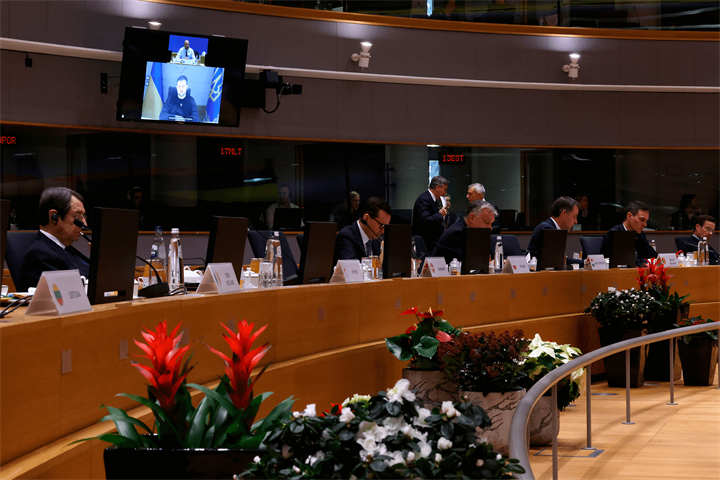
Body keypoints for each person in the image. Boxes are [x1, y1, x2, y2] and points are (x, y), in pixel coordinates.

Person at [20, 187, 90, 291]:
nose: (84, 224)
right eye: (77, 216)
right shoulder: (39, 255)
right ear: (54, 217)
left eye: (83, 216)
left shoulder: (67, 248)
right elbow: (67, 296)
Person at [431, 200, 497, 264]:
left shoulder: (478, 232)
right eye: (487, 222)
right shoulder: (455, 234)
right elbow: (470, 263)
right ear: (472, 218)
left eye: (491, 223)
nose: (490, 228)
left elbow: (491, 257)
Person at [333, 196, 392, 264]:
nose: (383, 231)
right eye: (381, 226)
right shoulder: (346, 237)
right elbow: (353, 270)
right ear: (366, 218)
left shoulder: (374, 238)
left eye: (385, 227)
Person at [601, 201, 658, 266]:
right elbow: (624, 262)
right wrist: (648, 261)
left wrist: (659, 259)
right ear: (629, 216)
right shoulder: (614, 235)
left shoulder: (640, 234)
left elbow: (653, 255)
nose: (645, 225)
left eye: (646, 221)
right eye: (642, 220)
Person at [527, 196, 580, 263]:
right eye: (574, 217)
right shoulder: (547, 229)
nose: (576, 221)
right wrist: (584, 263)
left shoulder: (552, 228)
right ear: (564, 213)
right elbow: (557, 260)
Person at [412, 176, 449, 252]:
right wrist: (440, 214)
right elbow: (425, 220)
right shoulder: (424, 199)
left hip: (432, 242)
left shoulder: (433, 200)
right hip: (426, 243)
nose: (445, 193)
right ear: (438, 187)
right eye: (444, 190)